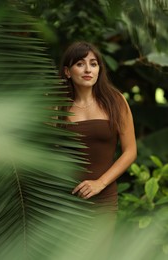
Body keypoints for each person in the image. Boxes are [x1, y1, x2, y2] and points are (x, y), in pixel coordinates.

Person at [59, 41, 137, 259]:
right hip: (62, 199)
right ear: (67, 71)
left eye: (93, 64)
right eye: (80, 64)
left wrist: (100, 183)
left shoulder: (115, 101)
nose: (87, 70)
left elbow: (130, 151)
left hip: (103, 199)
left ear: (99, 70)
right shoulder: (56, 105)